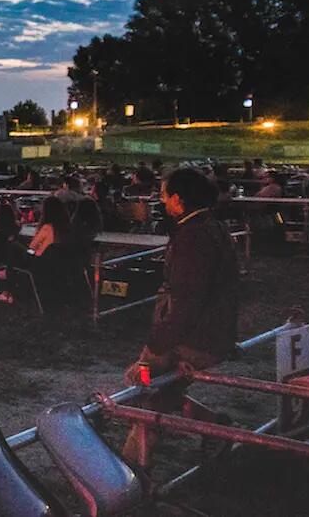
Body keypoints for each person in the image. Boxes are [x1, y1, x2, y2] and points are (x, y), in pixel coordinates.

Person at [122, 167, 239, 469]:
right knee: (166, 391)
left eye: (164, 195)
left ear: (178, 199)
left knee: (143, 385)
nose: (161, 201)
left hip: (187, 339)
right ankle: (218, 427)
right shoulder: (213, 228)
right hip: (210, 332)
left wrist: (157, 346)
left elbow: (187, 301)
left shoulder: (192, 238)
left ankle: (132, 470)